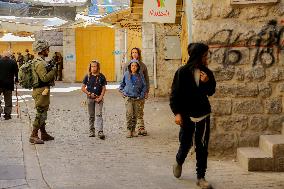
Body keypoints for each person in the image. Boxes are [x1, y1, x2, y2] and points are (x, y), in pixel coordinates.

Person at [170, 43, 216, 189]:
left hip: (203, 114)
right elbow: (174, 95)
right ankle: (179, 160)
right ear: (198, 56)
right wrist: (177, 113)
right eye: (204, 55)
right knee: (186, 143)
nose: (206, 58)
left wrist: (206, 82)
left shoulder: (206, 72)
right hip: (186, 114)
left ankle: (201, 177)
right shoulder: (182, 72)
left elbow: (211, 91)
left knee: (202, 146)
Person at [29, 40, 57, 144]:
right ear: (41, 50)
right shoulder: (39, 63)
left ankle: (43, 133)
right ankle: (34, 135)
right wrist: (53, 70)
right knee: (40, 113)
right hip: (41, 91)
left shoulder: (40, 61)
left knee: (43, 112)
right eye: (46, 49)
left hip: (42, 90)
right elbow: (44, 78)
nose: (48, 51)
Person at [119, 59, 147, 138]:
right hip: (128, 97)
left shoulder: (140, 75)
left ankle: (133, 130)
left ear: (138, 67)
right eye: (132, 66)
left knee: (135, 114)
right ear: (130, 67)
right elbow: (122, 84)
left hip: (137, 98)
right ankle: (128, 129)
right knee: (129, 113)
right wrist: (122, 92)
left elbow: (144, 86)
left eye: (135, 66)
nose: (134, 67)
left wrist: (141, 95)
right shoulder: (126, 74)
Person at [81, 60, 107, 140]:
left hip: (98, 98)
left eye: (95, 66)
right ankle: (91, 131)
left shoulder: (102, 77)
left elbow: (104, 88)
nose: (93, 68)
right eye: (92, 66)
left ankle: (100, 131)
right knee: (91, 116)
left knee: (99, 114)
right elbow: (82, 88)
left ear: (98, 67)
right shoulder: (87, 76)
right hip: (90, 99)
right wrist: (88, 93)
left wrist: (101, 97)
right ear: (90, 67)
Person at [127, 47, 149, 136]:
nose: (134, 54)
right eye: (133, 52)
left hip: (141, 92)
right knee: (131, 112)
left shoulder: (143, 66)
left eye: (136, 52)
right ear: (131, 54)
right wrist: (124, 91)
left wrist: (146, 91)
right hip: (130, 93)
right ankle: (131, 129)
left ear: (139, 54)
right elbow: (124, 79)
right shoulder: (127, 65)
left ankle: (141, 127)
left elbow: (146, 79)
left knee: (140, 110)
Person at [0, 51, 18, 120]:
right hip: (9, 84)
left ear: (3, 55)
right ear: (9, 56)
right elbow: (16, 72)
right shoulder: (13, 62)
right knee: (8, 100)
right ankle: (7, 115)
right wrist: (16, 80)